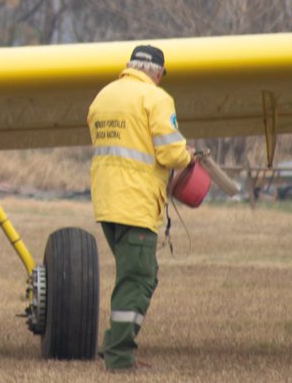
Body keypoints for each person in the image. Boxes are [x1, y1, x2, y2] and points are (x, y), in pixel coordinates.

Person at [87, 45, 192, 372]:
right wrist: (188, 155)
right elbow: (171, 153)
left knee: (133, 275)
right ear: (157, 72)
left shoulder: (103, 96)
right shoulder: (156, 99)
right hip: (136, 204)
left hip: (107, 203)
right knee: (139, 279)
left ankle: (113, 343)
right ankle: (119, 357)